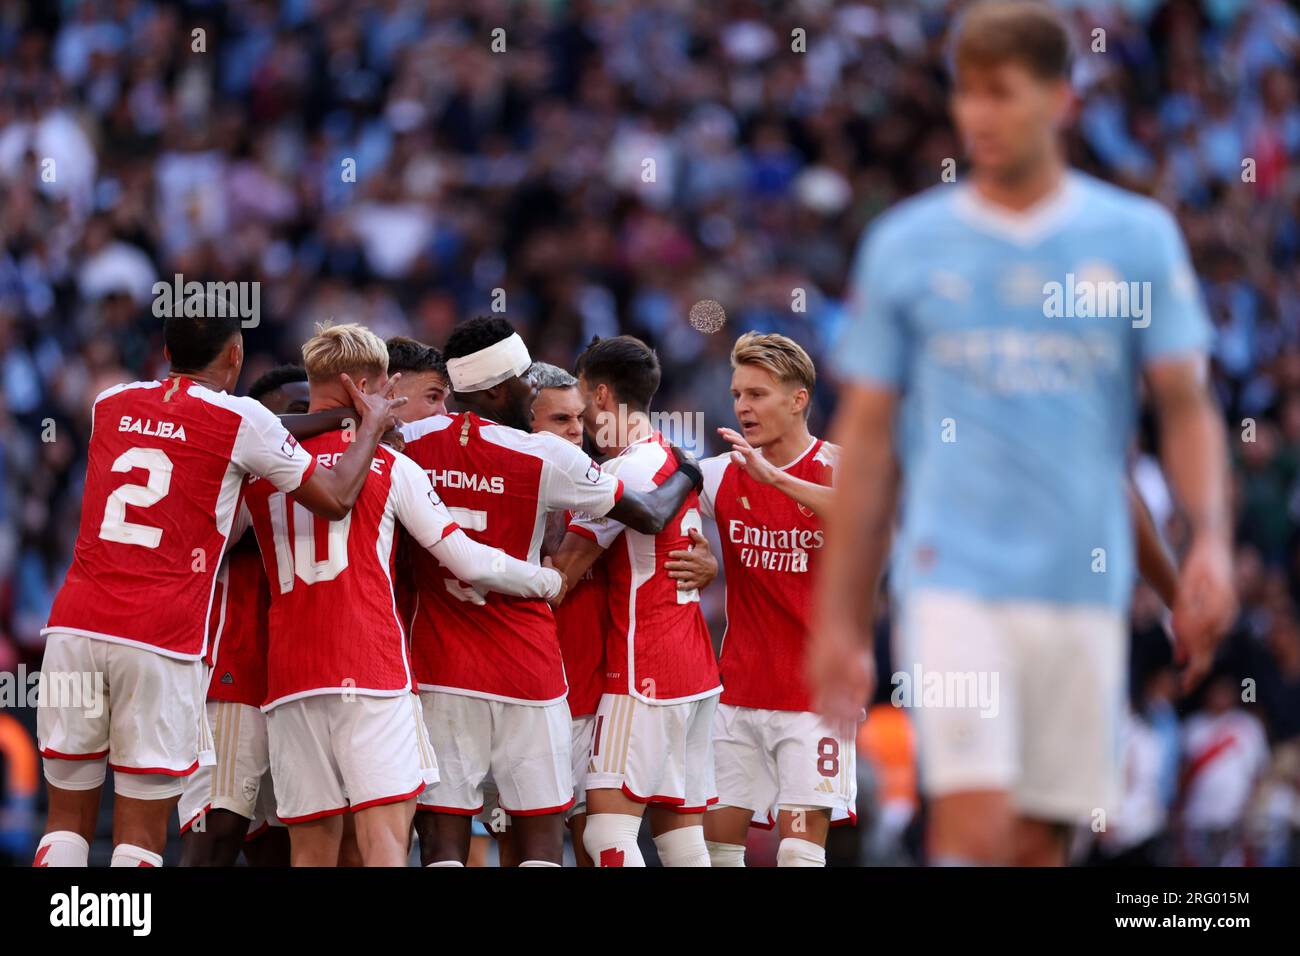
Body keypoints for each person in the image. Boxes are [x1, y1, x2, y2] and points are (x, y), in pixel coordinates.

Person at [810, 1, 1236, 866]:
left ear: (1061, 100)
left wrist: (1207, 551)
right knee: (975, 826)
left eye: (1002, 94)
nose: (978, 116)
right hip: (954, 580)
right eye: (967, 94)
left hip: (1082, 590)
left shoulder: (1135, 240)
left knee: (1041, 843)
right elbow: (869, 449)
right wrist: (842, 619)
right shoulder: (907, 248)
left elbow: (1183, 411)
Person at [34, 308, 404, 868]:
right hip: (159, 641)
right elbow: (335, 499)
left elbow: (233, 427)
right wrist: (368, 426)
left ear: (165, 353)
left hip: (73, 627)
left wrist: (330, 419)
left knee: (64, 824)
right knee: (139, 835)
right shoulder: (241, 422)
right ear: (235, 357)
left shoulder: (110, 403)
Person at [240, 323, 564, 866]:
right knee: (384, 845)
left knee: (313, 851)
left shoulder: (263, 468)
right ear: (366, 383)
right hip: (372, 674)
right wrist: (549, 580)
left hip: (292, 677)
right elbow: (466, 559)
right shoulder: (391, 466)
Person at [402, 317, 703, 867]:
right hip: (529, 667)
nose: (531, 390)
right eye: (523, 382)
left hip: (441, 667)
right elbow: (652, 513)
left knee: (444, 839)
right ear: (497, 389)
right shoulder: (544, 456)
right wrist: (687, 471)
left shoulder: (407, 445)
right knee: (541, 839)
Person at [554, 335, 720, 867]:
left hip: (641, 668)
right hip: (693, 668)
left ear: (601, 394)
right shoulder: (672, 458)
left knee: (606, 833)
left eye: (579, 397)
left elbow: (562, 576)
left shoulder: (620, 475)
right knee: (680, 835)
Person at [692, 332, 856, 867]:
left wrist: (776, 480)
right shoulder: (718, 475)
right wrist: (705, 562)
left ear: (798, 399)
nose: (742, 406)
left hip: (816, 701)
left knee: (797, 855)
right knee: (717, 852)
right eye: (738, 394)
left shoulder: (839, 467)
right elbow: (656, 511)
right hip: (736, 692)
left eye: (757, 394)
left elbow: (869, 519)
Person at [177, 365, 311, 868]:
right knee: (217, 829)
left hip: (297, 681)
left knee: (281, 843)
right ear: (259, 418)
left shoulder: (314, 476)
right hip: (232, 669)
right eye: (297, 414)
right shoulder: (225, 474)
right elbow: (218, 539)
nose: (312, 425)